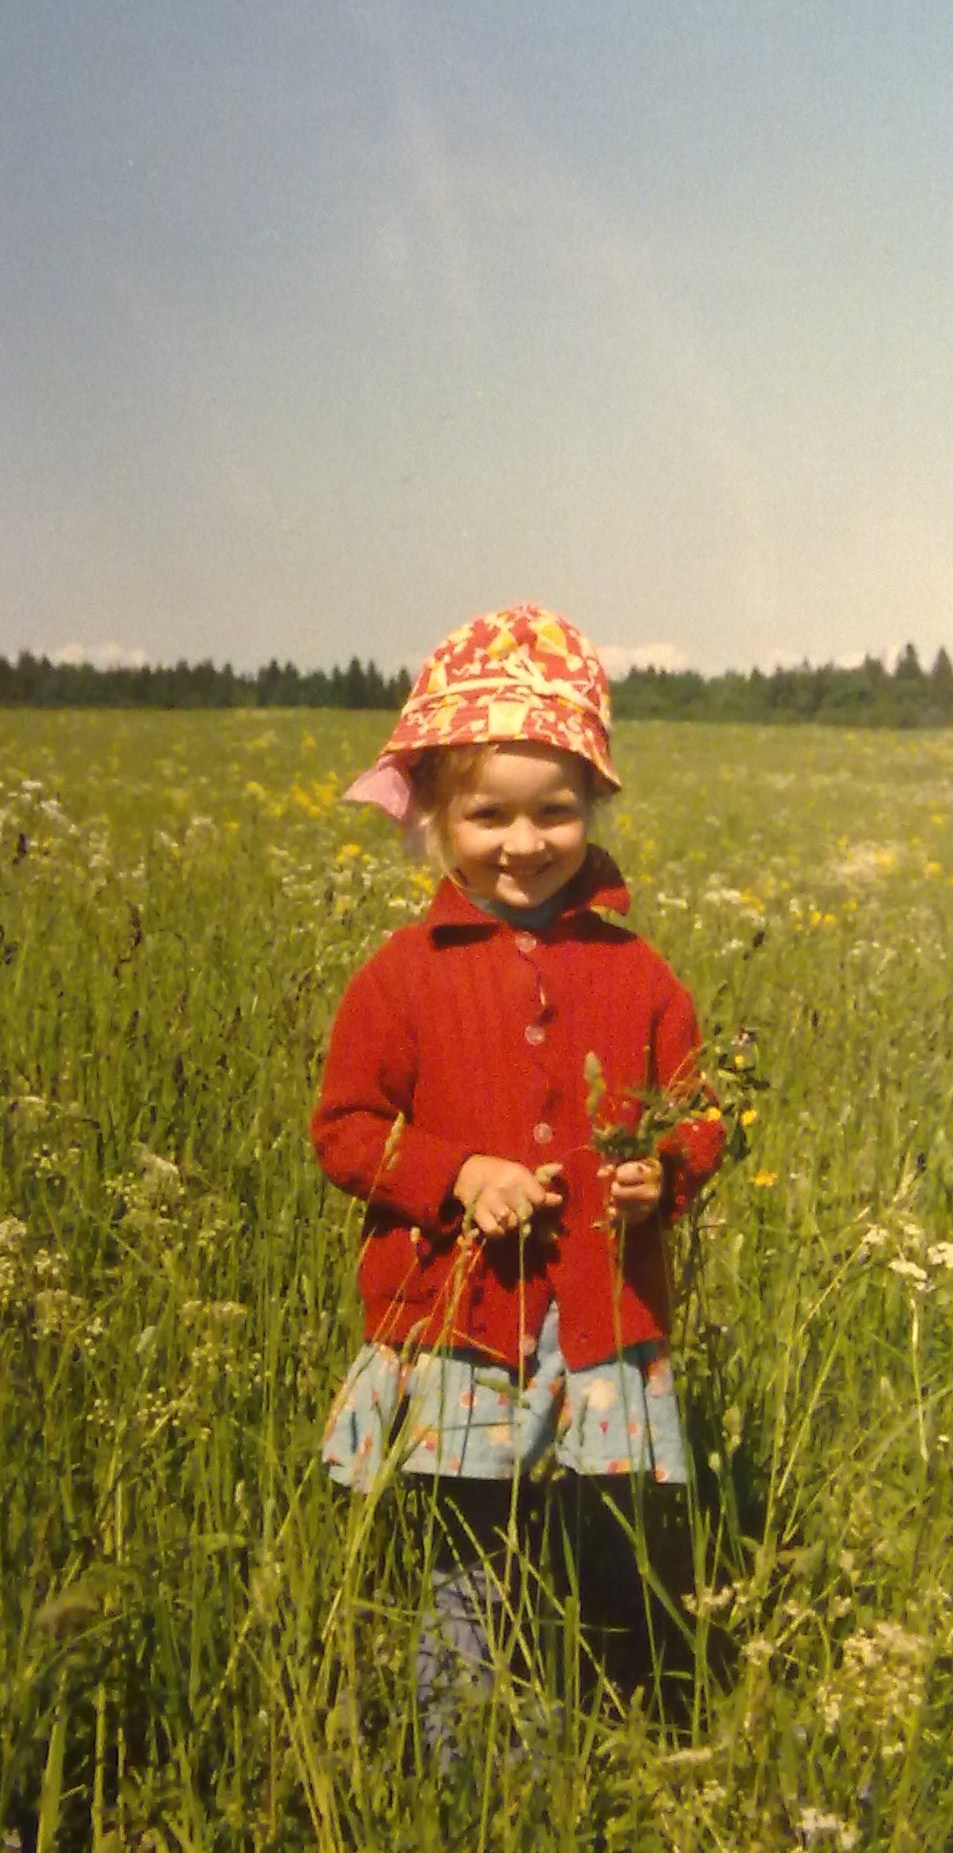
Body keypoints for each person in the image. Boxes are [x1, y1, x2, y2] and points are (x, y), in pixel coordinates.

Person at [311, 602, 724, 1757]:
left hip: (597, 1328)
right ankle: (464, 1773)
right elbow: (345, 1129)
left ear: (594, 805)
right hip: (463, 1330)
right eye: (486, 813)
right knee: (469, 1559)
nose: (523, 841)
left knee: (589, 1555)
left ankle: (579, 1751)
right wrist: (457, 1172)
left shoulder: (639, 972)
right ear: (433, 818)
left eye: (555, 809)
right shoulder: (402, 975)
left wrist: (662, 1174)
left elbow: (699, 1114)